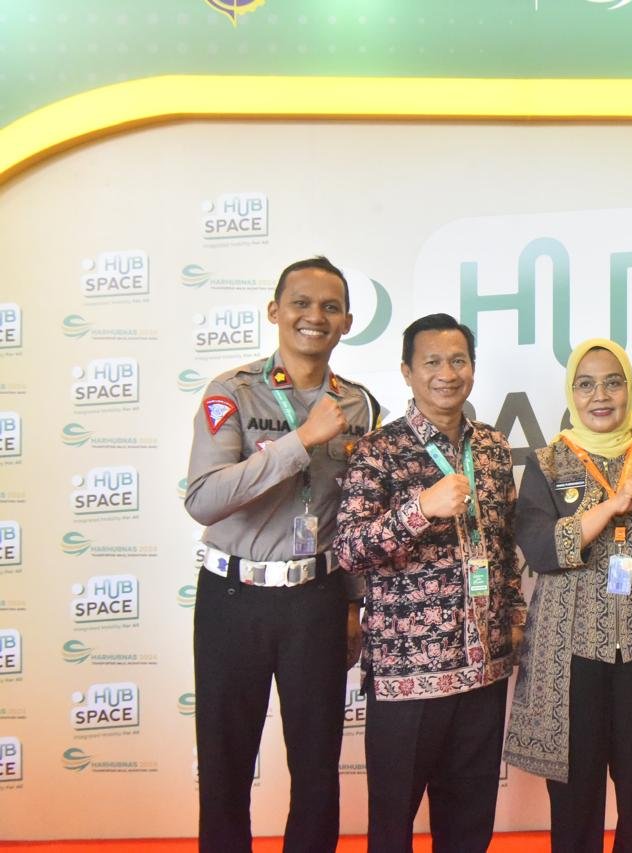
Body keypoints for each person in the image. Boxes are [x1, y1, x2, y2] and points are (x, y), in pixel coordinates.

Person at [185, 256, 381, 853]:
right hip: (233, 598)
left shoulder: (360, 406)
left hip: (317, 600)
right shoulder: (232, 392)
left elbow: (357, 516)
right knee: (225, 764)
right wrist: (301, 441)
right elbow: (204, 498)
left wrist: (353, 605)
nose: (313, 316)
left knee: (318, 768)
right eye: (300, 303)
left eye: (330, 307)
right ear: (275, 311)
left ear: (346, 323)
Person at [504, 338, 632, 853]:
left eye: (613, 382)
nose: (600, 395)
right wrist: (612, 505)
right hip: (569, 650)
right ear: (571, 392)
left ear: (629, 390)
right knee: (575, 789)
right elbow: (541, 550)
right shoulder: (548, 463)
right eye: (586, 384)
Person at [333, 313, 525, 853]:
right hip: (407, 674)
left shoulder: (492, 448)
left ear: (472, 369)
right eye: (432, 362)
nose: (447, 373)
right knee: (392, 825)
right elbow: (349, 550)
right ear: (407, 371)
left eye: (458, 360)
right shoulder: (379, 450)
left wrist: (514, 618)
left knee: (469, 827)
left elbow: (504, 545)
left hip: (483, 668)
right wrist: (420, 509)